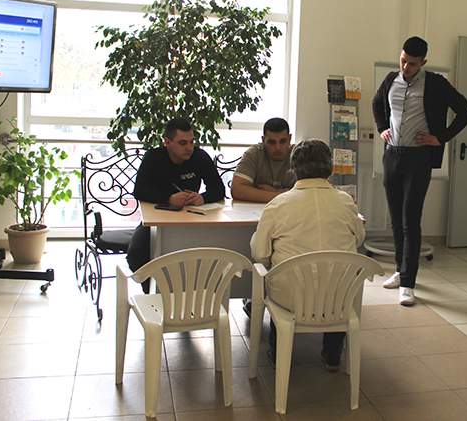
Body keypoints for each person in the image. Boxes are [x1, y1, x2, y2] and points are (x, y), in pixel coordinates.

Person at [372, 36, 467, 306]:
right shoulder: (391, 80)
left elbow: (466, 111)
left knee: (411, 221)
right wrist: (382, 128)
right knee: (396, 219)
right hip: (392, 156)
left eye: (412, 64)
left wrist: (440, 138)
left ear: (423, 62)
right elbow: (377, 103)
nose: (405, 67)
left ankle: (408, 283)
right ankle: (400, 270)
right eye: (403, 61)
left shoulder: (436, 84)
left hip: (418, 159)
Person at [250, 139, 365, 371]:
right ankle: (332, 354)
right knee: (336, 287)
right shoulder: (345, 202)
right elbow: (359, 239)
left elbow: (259, 254)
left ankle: (278, 352)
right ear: (329, 169)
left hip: (292, 297)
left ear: (296, 171)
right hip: (338, 295)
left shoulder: (278, 204)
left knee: (281, 284)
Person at [127, 118, 225, 291]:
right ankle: (153, 291)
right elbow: (139, 191)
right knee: (136, 253)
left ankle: (197, 293)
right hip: (156, 221)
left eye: (192, 142)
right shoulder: (154, 158)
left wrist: (202, 198)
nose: (189, 147)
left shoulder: (199, 157)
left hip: (193, 220)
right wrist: (169, 198)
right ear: (167, 142)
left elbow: (219, 189)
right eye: (182, 143)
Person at [231, 117, 297, 203]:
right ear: (263, 140)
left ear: (289, 139)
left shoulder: (299, 155)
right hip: (256, 210)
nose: (278, 147)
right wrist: (284, 194)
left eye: (282, 141)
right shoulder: (254, 154)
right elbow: (237, 190)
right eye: (272, 142)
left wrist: (274, 191)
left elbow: (310, 192)